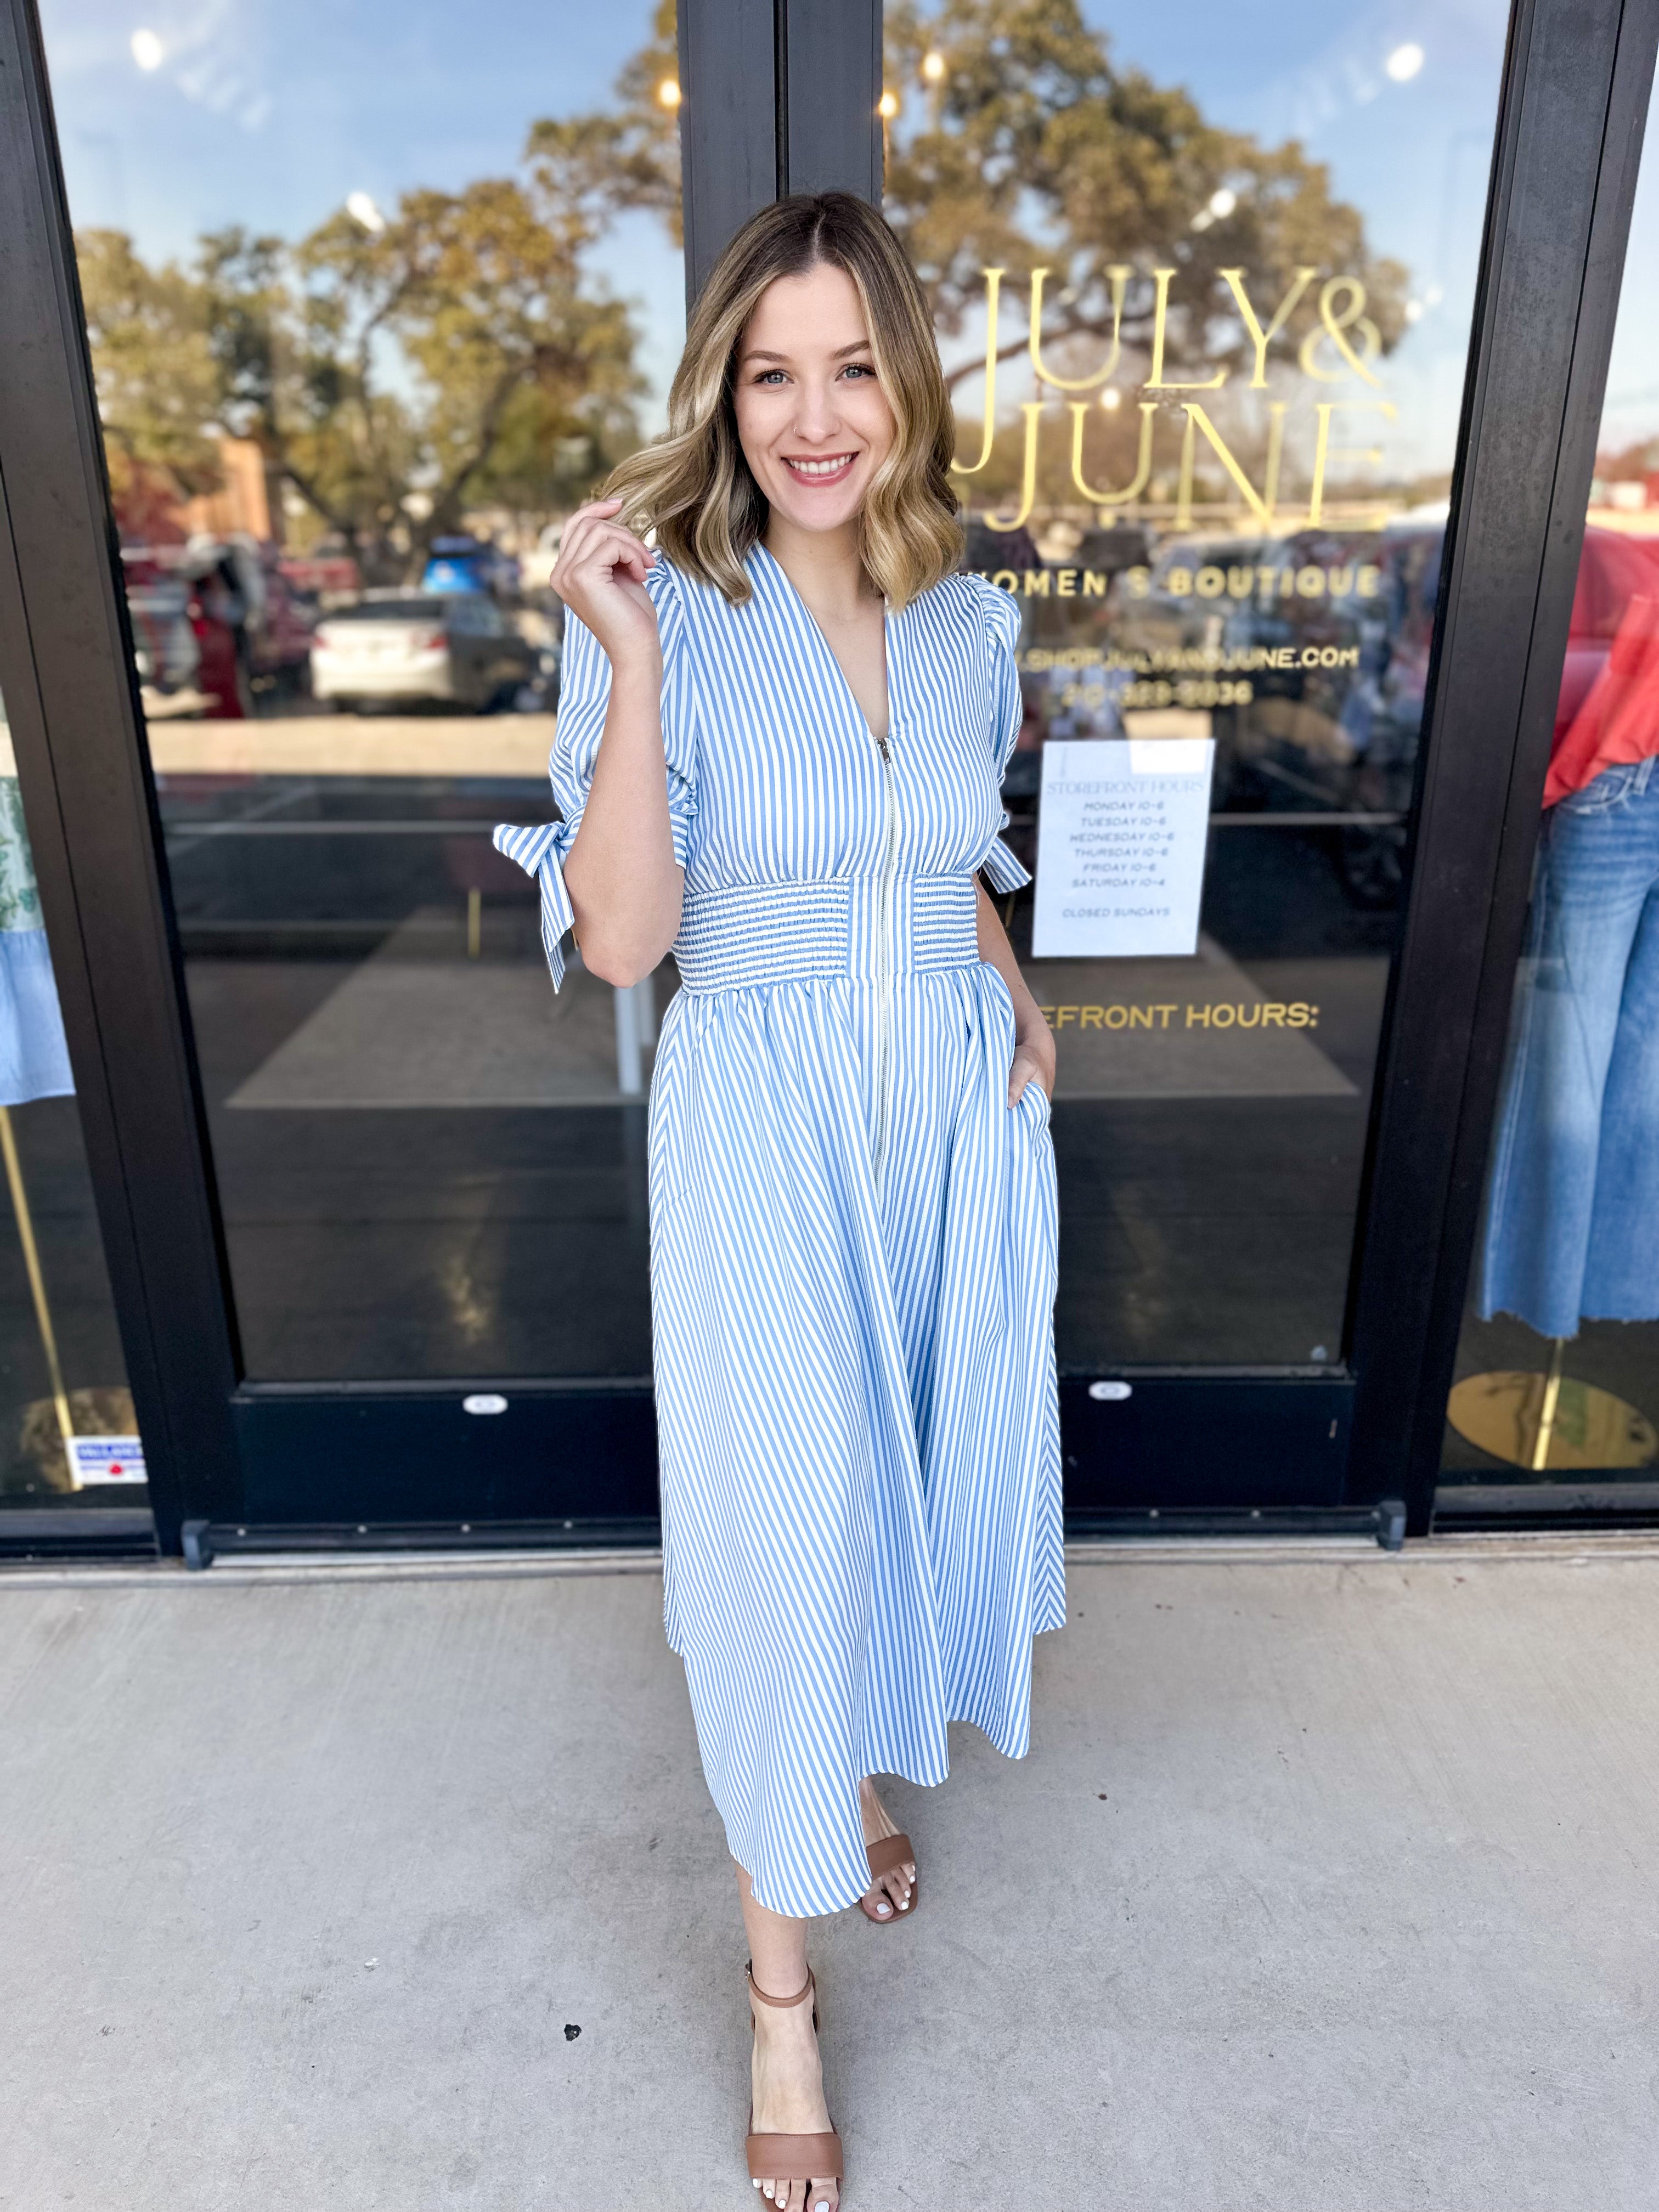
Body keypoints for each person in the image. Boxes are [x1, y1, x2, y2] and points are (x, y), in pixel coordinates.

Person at [495, 191, 1061, 2210]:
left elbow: (952, 848)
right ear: (723, 393)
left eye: (853, 368)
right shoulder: (668, 607)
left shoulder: (977, 617)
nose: (816, 417)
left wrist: (1012, 985)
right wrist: (631, 664)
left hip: (951, 1132)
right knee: (783, 1529)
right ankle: (780, 1998)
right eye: (771, 373)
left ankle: (845, 1772)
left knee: (906, 1465)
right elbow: (633, 942)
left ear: (905, 382)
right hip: (765, 1123)